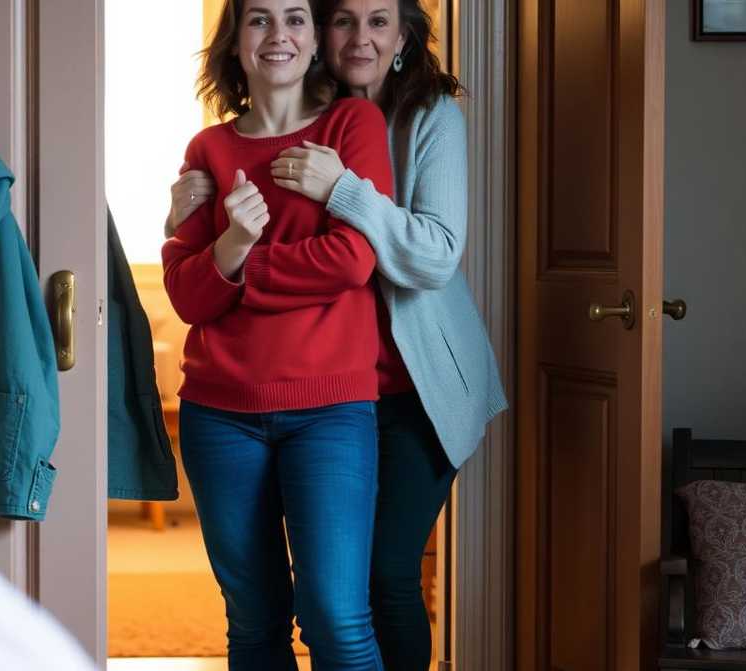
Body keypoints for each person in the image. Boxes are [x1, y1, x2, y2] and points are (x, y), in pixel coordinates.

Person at [165, 2, 508, 669]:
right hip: (273, 391)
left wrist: (335, 197)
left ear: (403, 36)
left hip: (410, 387)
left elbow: (422, 255)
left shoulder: (417, 118)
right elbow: (193, 275)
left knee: (377, 583)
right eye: (345, 20)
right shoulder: (226, 141)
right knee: (264, 612)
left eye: (379, 22)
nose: (360, 38)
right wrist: (203, 236)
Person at [161, 0, 395, 669]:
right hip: (219, 413)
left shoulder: (352, 125)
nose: (278, 35)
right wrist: (232, 242)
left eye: (295, 18)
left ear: (316, 40)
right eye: (259, 19)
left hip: (331, 410)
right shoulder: (208, 148)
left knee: (337, 618)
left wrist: (238, 266)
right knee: (254, 622)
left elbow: (352, 259)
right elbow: (187, 296)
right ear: (236, 43)